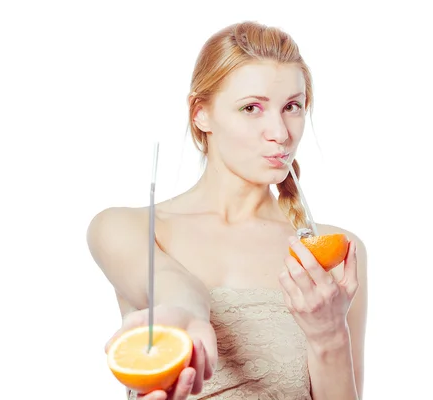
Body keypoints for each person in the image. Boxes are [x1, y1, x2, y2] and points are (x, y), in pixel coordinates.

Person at [87, 20, 368, 400]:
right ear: (201, 113)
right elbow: (172, 283)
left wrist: (329, 333)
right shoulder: (129, 227)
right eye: (252, 108)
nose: (281, 133)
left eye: (292, 107)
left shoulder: (334, 252)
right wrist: (185, 315)